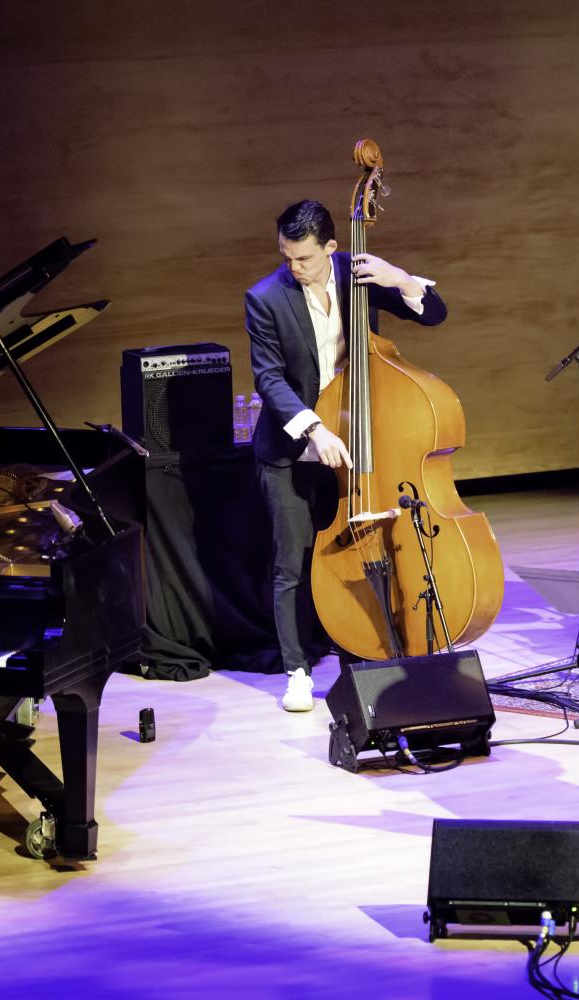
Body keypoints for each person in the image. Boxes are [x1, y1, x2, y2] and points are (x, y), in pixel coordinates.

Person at [246, 199, 447, 711]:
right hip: (292, 450)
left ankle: (360, 654)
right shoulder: (265, 298)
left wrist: (399, 278)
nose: (294, 268)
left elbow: (436, 314)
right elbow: (268, 378)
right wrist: (314, 428)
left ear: (332, 248)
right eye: (287, 257)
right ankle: (296, 669)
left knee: (361, 552)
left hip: (358, 445)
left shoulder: (360, 276)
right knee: (291, 564)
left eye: (304, 259)